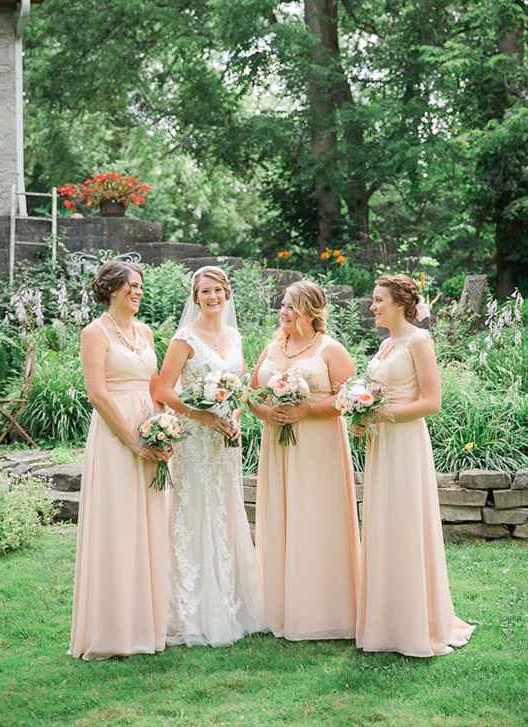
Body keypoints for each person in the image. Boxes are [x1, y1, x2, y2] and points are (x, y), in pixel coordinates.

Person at [351, 273, 475, 657]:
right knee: (383, 524)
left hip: (404, 444)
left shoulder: (419, 341)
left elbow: (431, 402)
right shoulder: (386, 344)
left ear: (400, 304)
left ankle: (415, 624)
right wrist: (359, 414)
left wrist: (379, 413)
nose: (372, 306)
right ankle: (385, 622)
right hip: (381, 445)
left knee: (405, 524)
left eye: (378, 300)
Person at [155, 266, 267, 646]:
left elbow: (239, 386)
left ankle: (230, 603)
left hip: (224, 442)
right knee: (194, 511)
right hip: (193, 439)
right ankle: (192, 609)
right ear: (195, 297)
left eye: (218, 290)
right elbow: (163, 391)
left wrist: (234, 417)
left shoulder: (234, 336)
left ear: (228, 294)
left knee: (224, 508)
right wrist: (204, 416)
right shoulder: (184, 339)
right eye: (205, 291)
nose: (213, 296)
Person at [69, 261, 170, 660]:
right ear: (112, 289)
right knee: (118, 525)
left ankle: (147, 626)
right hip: (116, 439)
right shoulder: (94, 333)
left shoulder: (144, 332)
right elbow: (97, 394)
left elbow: (155, 385)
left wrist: (165, 427)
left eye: (141, 286)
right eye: (132, 286)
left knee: (149, 524)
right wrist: (133, 442)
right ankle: (112, 633)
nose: (138, 292)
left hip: (151, 432)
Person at [250, 280, 360, 640]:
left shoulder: (331, 349)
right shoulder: (271, 348)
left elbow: (351, 399)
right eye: (282, 305)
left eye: (291, 307)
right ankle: (280, 605)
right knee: (282, 516)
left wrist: (305, 410)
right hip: (278, 446)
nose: (283, 312)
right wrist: (267, 412)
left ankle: (323, 610)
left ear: (311, 312)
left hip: (318, 447)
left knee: (315, 518)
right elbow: (250, 394)